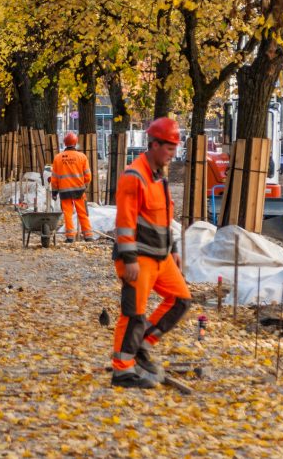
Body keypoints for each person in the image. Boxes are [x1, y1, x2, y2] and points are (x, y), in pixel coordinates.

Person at [111, 117, 191, 389]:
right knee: (134, 313)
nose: (173, 153)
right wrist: (129, 259)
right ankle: (123, 369)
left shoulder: (160, 177)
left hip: (161, 256)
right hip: (139, 258)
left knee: (180, 300)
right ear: (154, 145)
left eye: (174, 148)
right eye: (169, 148)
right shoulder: (134, 176)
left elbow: (166, 217)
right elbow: (125, 221)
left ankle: (142, 346)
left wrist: (175, 249)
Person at [50, 132, 93, 242]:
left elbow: (54, 178)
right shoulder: (82, 157)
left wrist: (54, 192)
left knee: (68, 214)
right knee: (82, 213)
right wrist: (84, 185)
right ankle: (88, 236)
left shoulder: (58, 158)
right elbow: (88, 176)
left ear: (65, 143)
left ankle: (70, 237)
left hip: (64, 191)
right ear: (76, 142)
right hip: (79, 190)